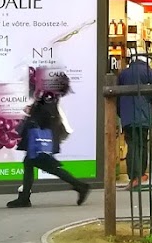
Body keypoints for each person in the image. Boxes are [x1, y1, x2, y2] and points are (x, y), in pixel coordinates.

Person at [7, 76, 93, 208]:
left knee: (46, 165)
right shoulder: (51, 95)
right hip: (43, 135)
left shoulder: (48, 95)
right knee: (31, 162)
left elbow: (46, 113)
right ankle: (24, 197)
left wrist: (32, 112)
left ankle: (80, 185)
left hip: (39, 136)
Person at [116, 51, 152, 189]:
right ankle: (140, 174)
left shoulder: (123, 74)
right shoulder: (148, 72)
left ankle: (134, 175)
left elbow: (117, 96)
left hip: (128, 117)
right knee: (142, 144)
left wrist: (120, 113)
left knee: (132, 145)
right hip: (144, 116)